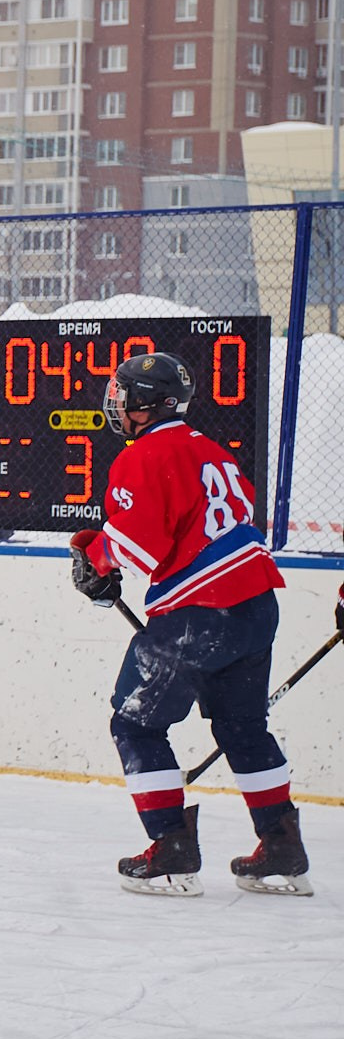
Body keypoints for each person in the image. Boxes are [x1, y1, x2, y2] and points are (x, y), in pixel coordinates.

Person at [67, 351, 307, 896]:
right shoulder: (212, 451)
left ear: (145, 404)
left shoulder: (145, 454)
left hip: (200, 614)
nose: (116, 401)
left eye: (123, 392)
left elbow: (136, 544)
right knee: (244, 728)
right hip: (256, 606)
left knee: (136, 724)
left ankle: (172, 851)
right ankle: (284, 849)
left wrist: (95, 558)